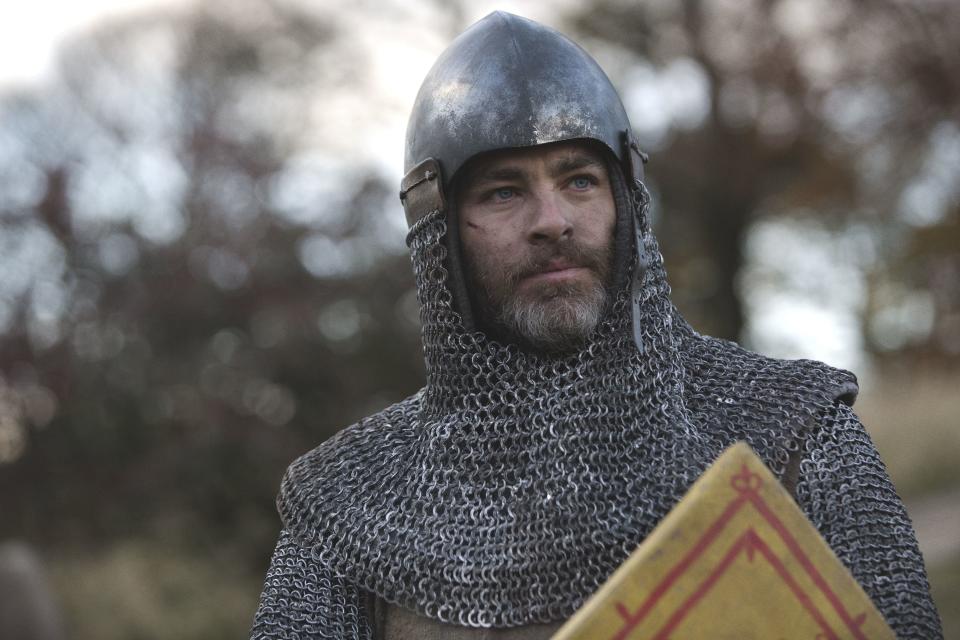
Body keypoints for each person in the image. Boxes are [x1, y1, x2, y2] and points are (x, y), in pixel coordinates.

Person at [251, 11, 942, 639]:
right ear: (439, 233)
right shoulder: (350, 512)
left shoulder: (793, 433)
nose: (552, 220)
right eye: (503, 191)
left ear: (625, 199)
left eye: (579, 179)